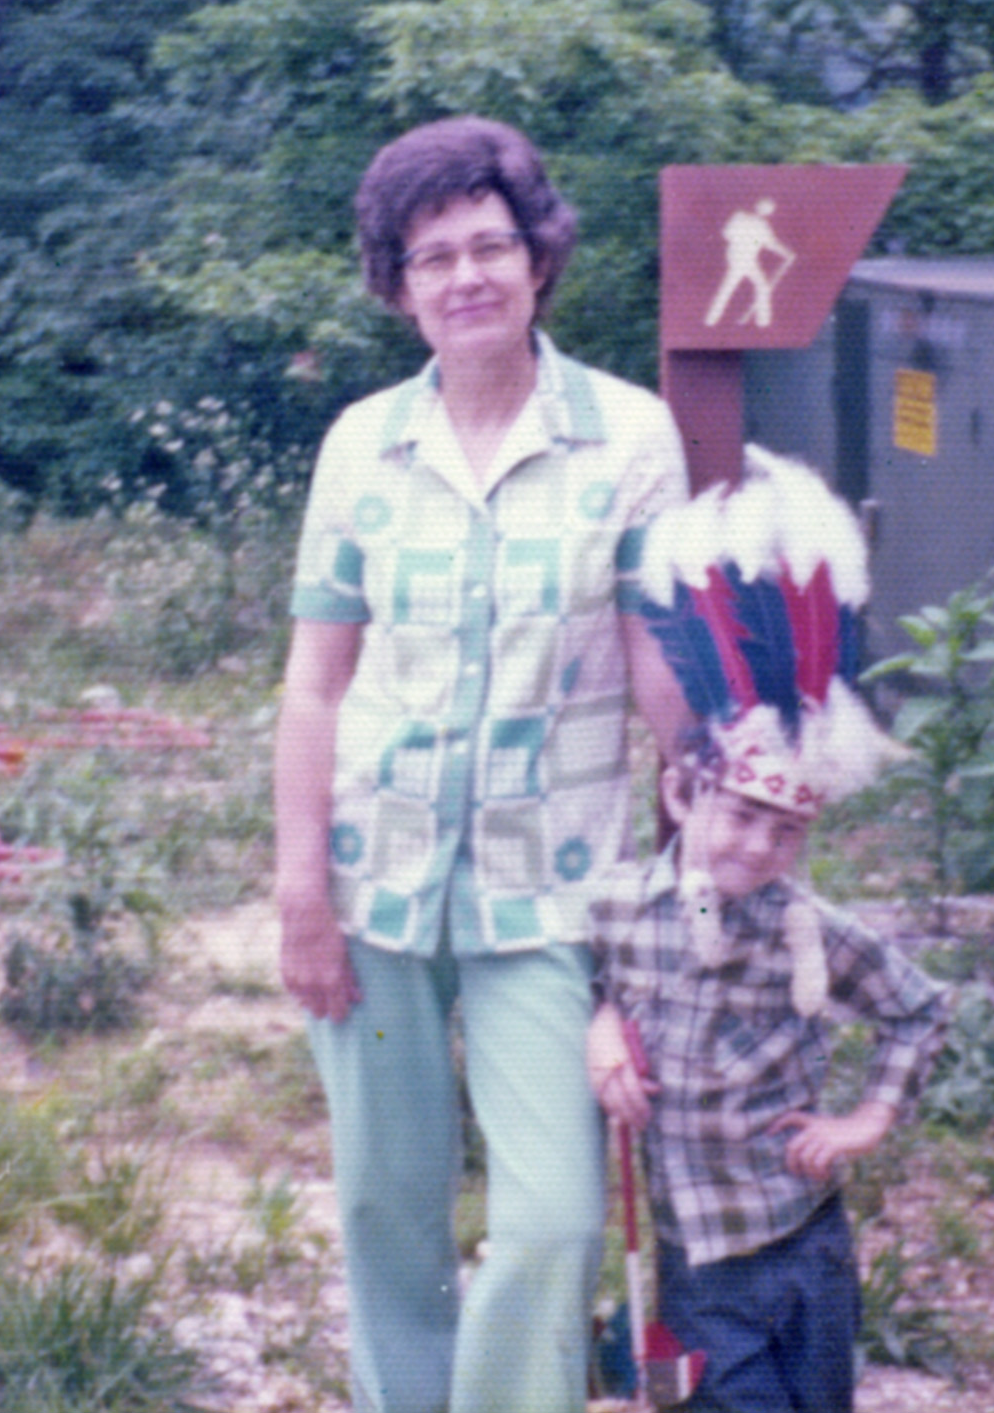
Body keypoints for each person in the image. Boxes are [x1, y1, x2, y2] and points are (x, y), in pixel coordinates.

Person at [276, 115, 692, 1413]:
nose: (466, 275)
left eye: (490, 245)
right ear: (397, 287)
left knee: (557, 1217)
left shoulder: (629, 439)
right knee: (387, 1208)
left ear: (538, 257)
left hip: (550, 897)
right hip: (374, 882)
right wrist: (300, 888)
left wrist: (703, 825)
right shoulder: (360, 444)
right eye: (433, 254)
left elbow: (659, 676)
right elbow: (314, 680)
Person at [586, 448, 948, 1413]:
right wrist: (596, 1021)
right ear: (681, 789)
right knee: (695, 1401)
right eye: (739, 813)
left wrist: (866, 1116)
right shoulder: (616, 906)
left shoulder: (814, 930)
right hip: (688, 1261)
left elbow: (919, 1009)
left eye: (784, 827)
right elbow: (565, 970)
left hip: (805, 1239)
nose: (755, 844)